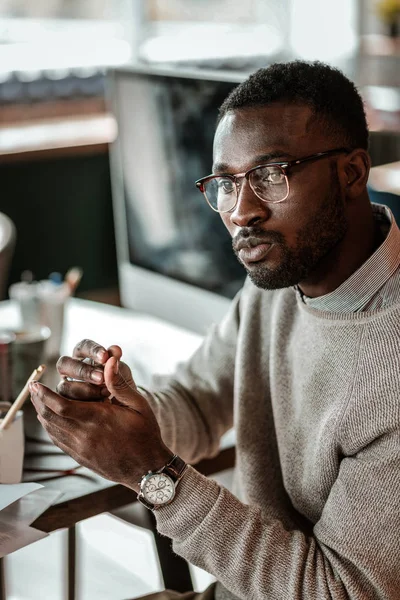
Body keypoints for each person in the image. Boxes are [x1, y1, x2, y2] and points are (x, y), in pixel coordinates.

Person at [29, 61, 400, 600]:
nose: (241, 211)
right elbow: (198, 404)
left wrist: (155, 473)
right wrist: (122, 409)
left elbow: (339, 593)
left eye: (272, 176)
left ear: (351, 173)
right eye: (226, 183)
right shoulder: (278, 279)